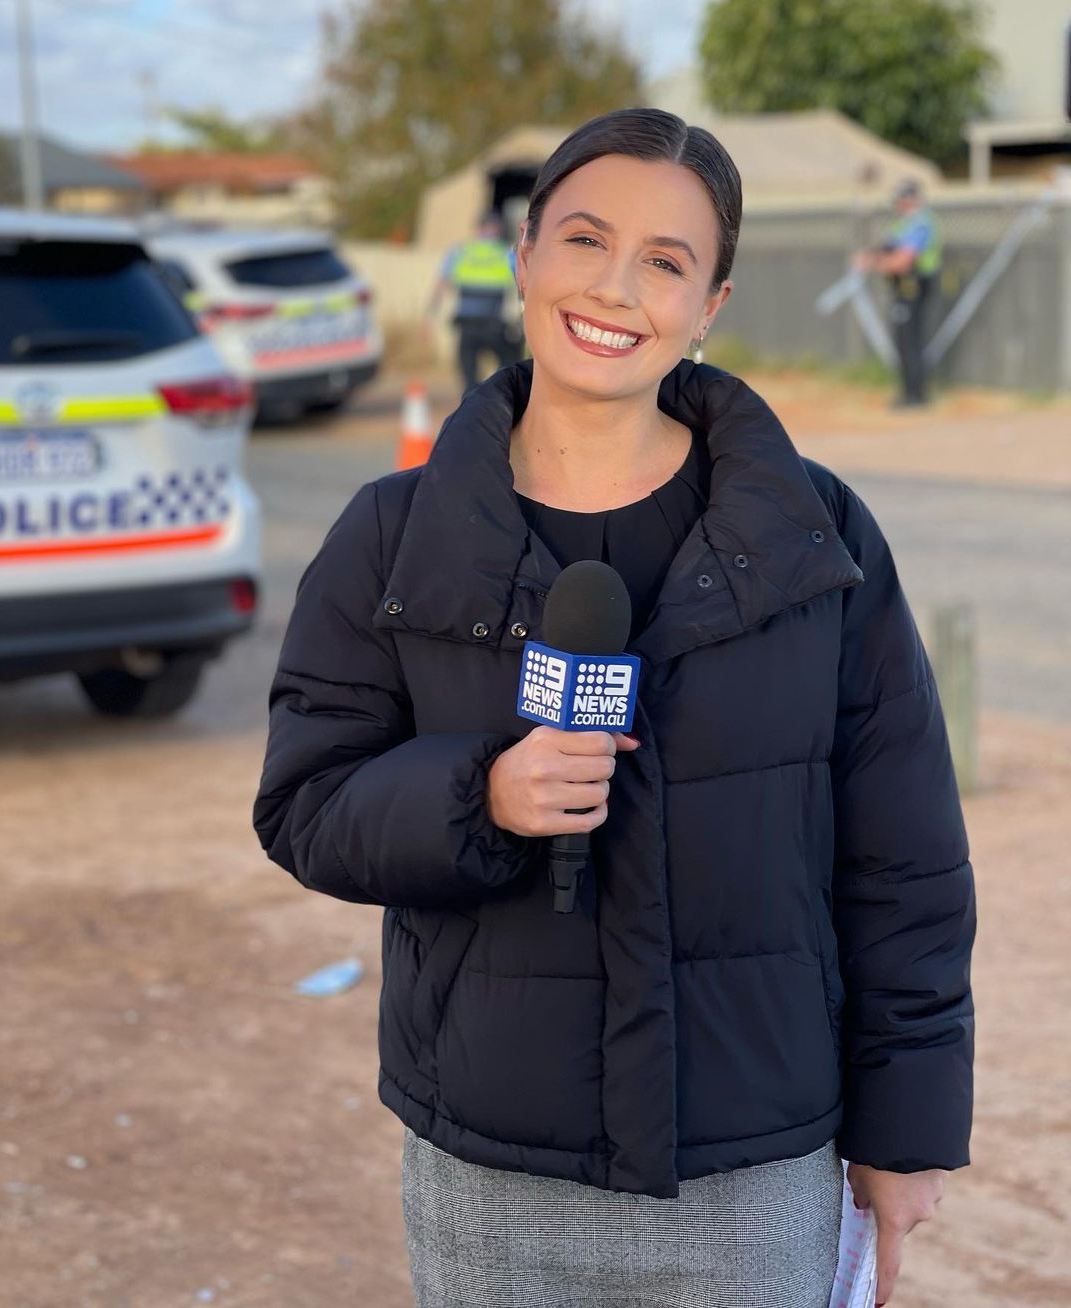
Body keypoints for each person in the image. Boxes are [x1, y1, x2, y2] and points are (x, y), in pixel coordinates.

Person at [255, 109, 975, 1308]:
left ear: (712, 304)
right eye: (586, 239)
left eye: (666, 261)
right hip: (492, 1173)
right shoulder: (393, 534)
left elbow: (903, 854)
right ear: (525, 255)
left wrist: (907, 1128)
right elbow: (307, 805)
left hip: (753, 1171)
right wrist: (480, 797)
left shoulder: (812, 536)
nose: (616, 287)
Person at [854, 179, 943, 408]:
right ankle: (908, 391)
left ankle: (915, 395)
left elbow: (902, 262)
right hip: (902, 290)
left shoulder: (920, 223)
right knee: (903, 342)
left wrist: (876, 263)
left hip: (914, 288)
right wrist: (874, 258)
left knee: (911, 341)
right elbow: (887, 249)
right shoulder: (903, 223)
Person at [425, 210, 524, 393]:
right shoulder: (505, 252)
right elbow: (522, 284)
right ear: (498, 229)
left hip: (467, 323)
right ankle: (497, 394)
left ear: (477, 228)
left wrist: (429, 317)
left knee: (468, 374)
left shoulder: (461, 251)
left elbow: (441, 284)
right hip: (494, 323)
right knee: (510, 362)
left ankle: (471, 399)